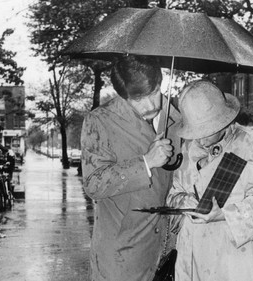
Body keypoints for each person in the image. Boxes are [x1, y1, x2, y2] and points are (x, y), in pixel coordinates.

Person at [166, 80, 253, 281]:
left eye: (204, 132)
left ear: (222, 121)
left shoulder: (246, 144)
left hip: (231, 260)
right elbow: (174, 196)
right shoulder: (189, 147)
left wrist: (225, 215)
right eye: (194, 132)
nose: (199, 140)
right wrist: (185, 203)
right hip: (192, 258)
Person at [81, 54, 181, 281]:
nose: (151, 105)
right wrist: (146, 162)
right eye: (139, 99)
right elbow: (93, 184)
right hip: (121, 258)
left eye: (154, 93)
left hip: (165, 251)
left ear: (161, 81)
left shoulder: (176, 117)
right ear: (122, 95)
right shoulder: (100, 121)